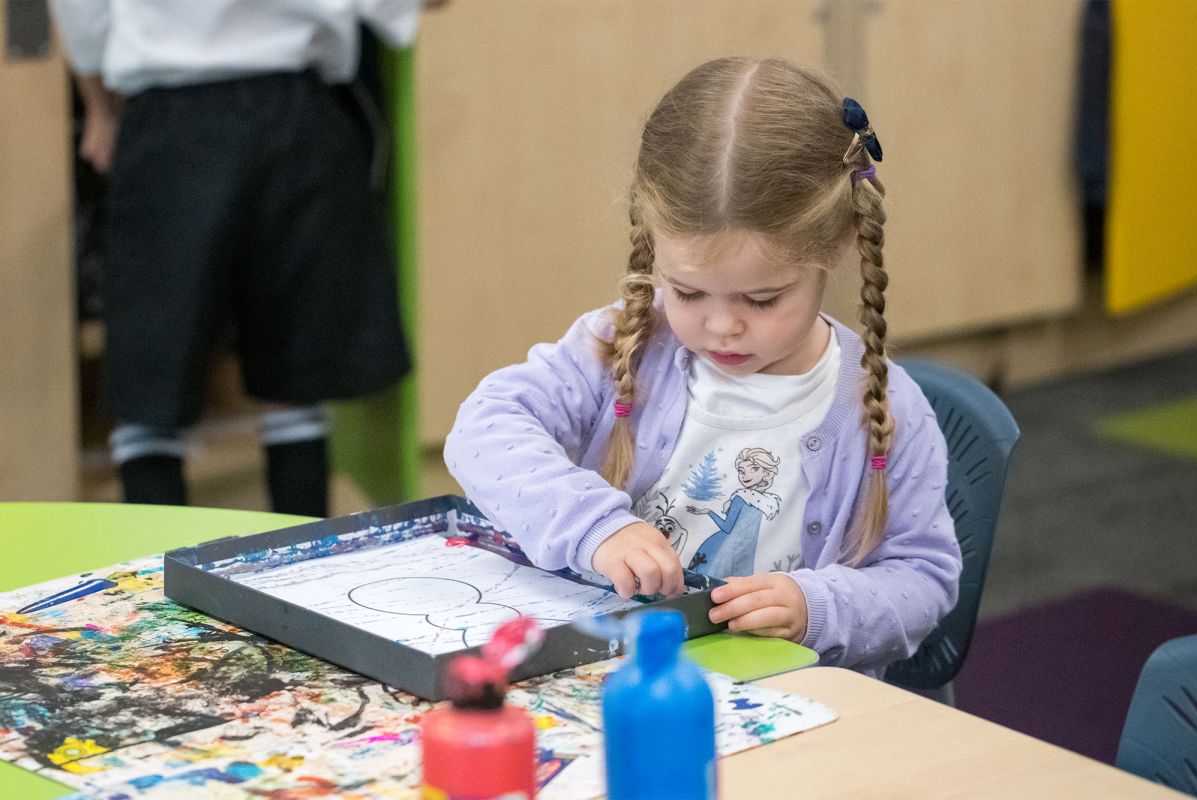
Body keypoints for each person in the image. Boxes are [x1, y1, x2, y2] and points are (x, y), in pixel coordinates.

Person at [444, 57, 963, 677]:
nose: (721, 327)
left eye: (761, 300)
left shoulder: (887, 409)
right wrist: (594, 528)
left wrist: (816, 607)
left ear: (838, 243)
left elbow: (924, 582)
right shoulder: (622, 345)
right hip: (611, 683)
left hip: (791, 705)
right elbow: (485, 428)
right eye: (688, 292)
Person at [49, 1, 442, 516]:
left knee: (152, 374)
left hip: (169, 113)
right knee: (295, 373)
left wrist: (99, 106)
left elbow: (80, 12)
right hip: (294, 110)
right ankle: (304, 552)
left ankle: (154, 561)